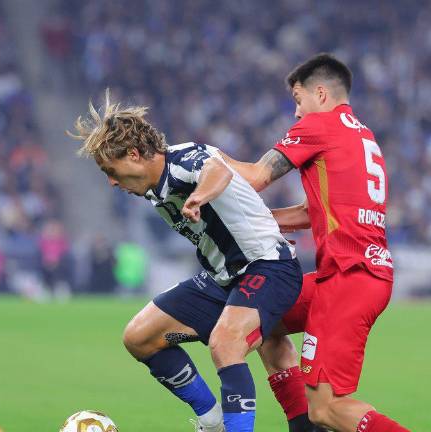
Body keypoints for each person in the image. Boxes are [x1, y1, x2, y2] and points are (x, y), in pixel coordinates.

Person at [69, 93, 315, 432]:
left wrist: (199, 197)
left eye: (111, 171)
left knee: (226, 344)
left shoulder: (182, 158)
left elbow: (216, 170)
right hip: (223, 278)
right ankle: (211, 421)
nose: (112, 181)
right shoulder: (153, 190)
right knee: (139, 337)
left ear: (135, 154)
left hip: (268, 267)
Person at [223, 53, 411, 432]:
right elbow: (317, 211)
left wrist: (202, 157)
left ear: (321, 93)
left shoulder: (319, 125)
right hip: (356, 274)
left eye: (298, 99)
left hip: (349, 277)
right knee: (263, 318)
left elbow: (256, 176)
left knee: (326, 409)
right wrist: (262, 221)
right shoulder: (362, 135)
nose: (296, 112)